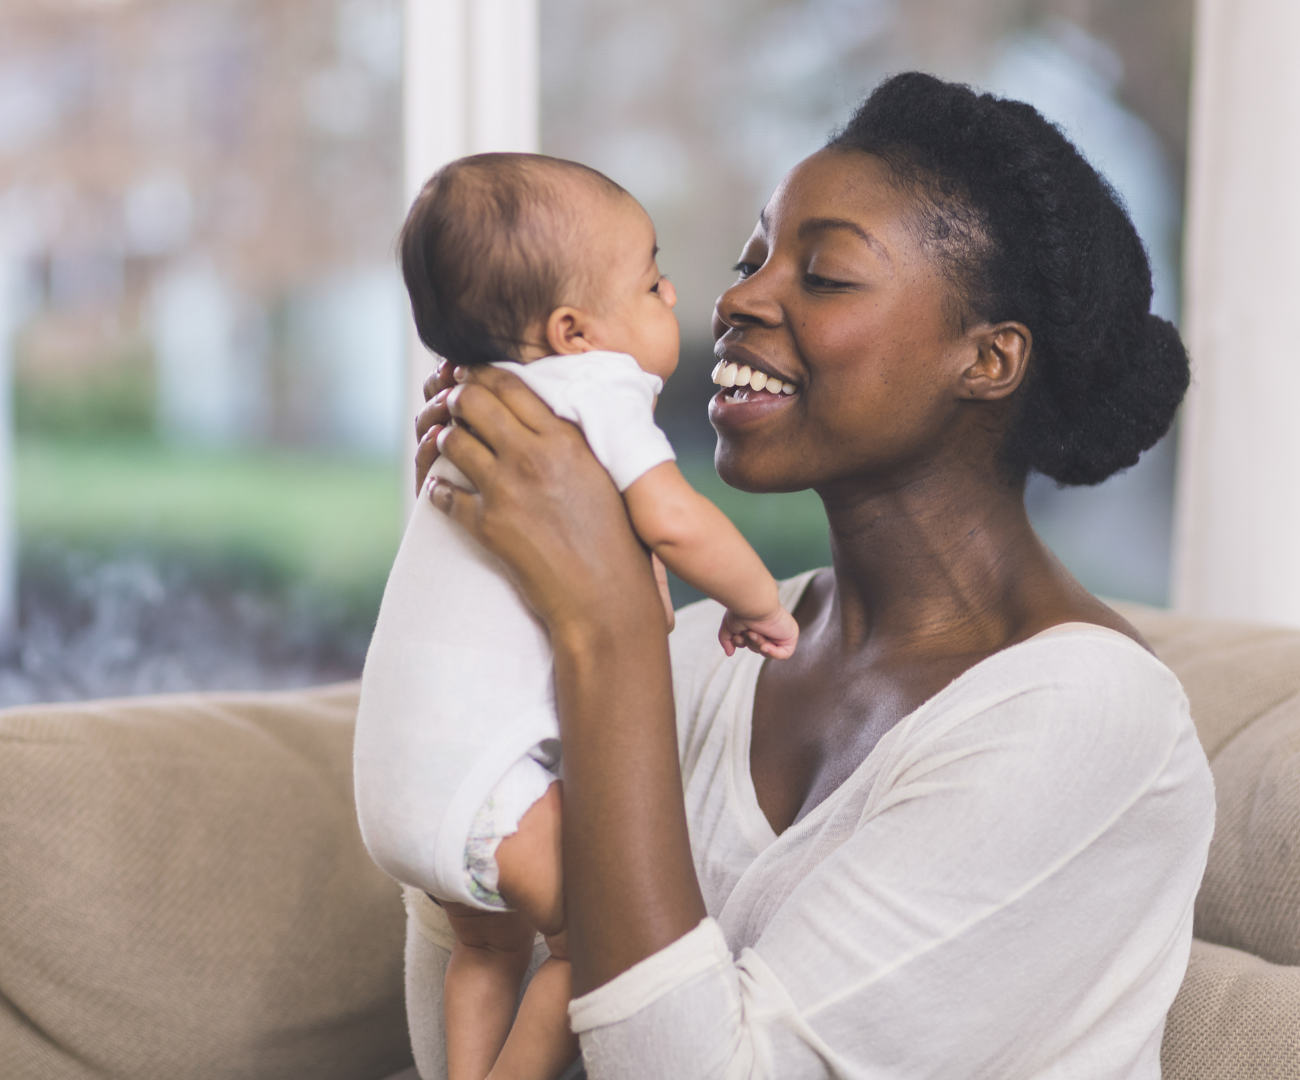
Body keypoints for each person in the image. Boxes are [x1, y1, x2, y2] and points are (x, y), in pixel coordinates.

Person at [404, 73, 1216, 1079]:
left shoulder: (1088, 720)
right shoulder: (705, 657)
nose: (739, 297)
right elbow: (466, 1047)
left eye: (823, 275)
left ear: (989, 359)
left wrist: (601, 631)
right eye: (752, 258)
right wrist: (491, 597)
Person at [353, 153, 799, 1080]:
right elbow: (673, 518)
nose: (681, 293)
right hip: (494, 794)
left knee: (487, 949)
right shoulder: (591, 393)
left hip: (399, 790)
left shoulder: (484, 408)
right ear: (574, 331)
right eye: (651, 279)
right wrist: (760, 599)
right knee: (591, 948)